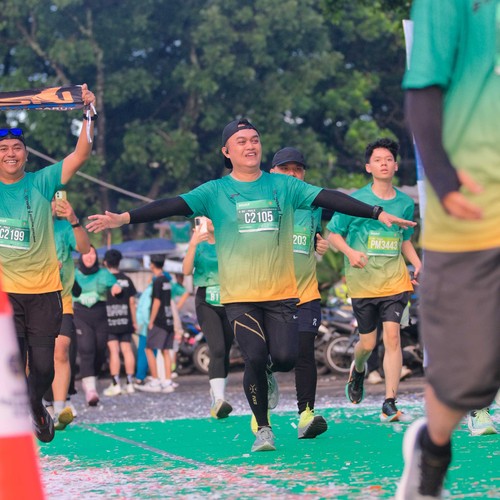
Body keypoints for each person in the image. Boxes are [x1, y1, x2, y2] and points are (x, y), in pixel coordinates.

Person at [86, 118, 415, 452]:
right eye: (241, 141)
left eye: (254, 139)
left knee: (285, 358)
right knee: (254, 356)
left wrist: (376, 212)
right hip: (240, 296)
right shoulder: (214, 191)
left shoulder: (283, 186)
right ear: (227, 151)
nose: (250, 145)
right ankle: (264, 428)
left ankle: (270, 374)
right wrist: (124, 218)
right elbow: (171, 204)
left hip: (282, 294)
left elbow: (330, 198)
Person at [396, 2, 500, 498]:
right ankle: (432, 450)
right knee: (469, 379)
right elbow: (423, 88)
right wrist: (442, 179)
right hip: (475, 212)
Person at [0, 84, 96, 443]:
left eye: (16, 148)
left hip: (44, 293)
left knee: (43, 368)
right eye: (3, 149)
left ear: (26, 155)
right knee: (11, 365)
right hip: (6, 296)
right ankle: (17, 417)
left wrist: (89, 114)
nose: (10, 154)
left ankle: (37, 407)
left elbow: (81, 154)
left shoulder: (42, 182)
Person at [327, 138, 422, 422]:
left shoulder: (405, 203)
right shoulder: (354, 200)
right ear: (368, 167)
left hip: (395, 280)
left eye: (388, 159)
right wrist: (350, 253)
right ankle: (358, 369)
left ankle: (389, 401)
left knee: (392, 337)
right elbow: (333, 235)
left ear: (395, 166)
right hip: (363, 282)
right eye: (378, 160)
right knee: (368, 344)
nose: (384, 164)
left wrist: (418, 263)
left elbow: (404, 239)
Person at [268, 147, 328, 439]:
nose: (292, 174)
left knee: (305, 352)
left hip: (306, 293)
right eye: (285, 169)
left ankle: (306, 415)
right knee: (279, 357)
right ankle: (263, 393)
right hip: (269, 296)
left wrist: (319, 242)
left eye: (298, 169)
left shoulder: (314, 205)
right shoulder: (263, 204)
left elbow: (312, 236)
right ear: (272, 172)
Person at [45, 192, 91, 430]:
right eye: (49, 199)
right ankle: (37, 404)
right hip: (30, 298)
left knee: (61, 350)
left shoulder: (64, 227)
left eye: (56, 199)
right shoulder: (26, 224)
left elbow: (84, 248)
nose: (54, 204)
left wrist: (73, 219)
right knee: (31, 358)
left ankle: (60, 409)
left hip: (61, 298)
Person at [182, 216, 234, 419]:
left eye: (211, 217)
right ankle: (219, 400)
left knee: (225, 351)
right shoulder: (198, 245)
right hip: (206, 301)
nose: (207, 220)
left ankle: (217, 392)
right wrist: (193, 244)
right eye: (204, 217)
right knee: (217, 348)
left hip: (230, 299)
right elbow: (186, 270)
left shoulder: (229, 240)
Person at [73, 245, 121, 406]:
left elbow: (115, 285)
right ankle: (90, 389)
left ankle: (92, 377)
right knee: (87, 349)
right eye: (86, 253)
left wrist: (116, 288)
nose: (89, 257)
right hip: (80, 315)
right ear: (80, 256)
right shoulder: (74, 273)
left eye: (92, 253)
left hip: (100, 316)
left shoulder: (103, 273)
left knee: (100, 350)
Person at [135, 254, 177, 393]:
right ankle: (168, 381)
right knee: (165, 350)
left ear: (152, 264)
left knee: (148, 348)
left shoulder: (157, 281)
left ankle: (155, 380)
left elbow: (157, 301)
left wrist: (151, 320)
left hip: (159, 320)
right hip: (169, 319)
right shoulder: (167, 280)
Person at [102, 249, 137, 396]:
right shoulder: (127, 280)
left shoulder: (104, 279)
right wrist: (134, 321)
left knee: (114, 351)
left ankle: (116, 383)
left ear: (105, 263)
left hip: (109, 320)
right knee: (127, 350)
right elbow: (132, 302)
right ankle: (130, 383)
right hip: (125, 320)